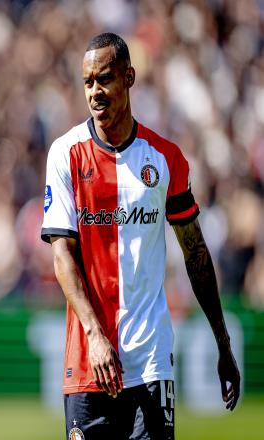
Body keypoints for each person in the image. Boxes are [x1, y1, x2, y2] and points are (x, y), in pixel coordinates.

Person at [41, 32, 240, 439]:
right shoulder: (65, 153)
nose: (95, 91)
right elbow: (62, 256)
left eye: (105, 79)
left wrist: (223, 344)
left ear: (129, 78)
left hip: (151, 362)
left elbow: (195, 253)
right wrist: (95, 334)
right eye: (87, 82)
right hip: (88, 362)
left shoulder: (166, 159)